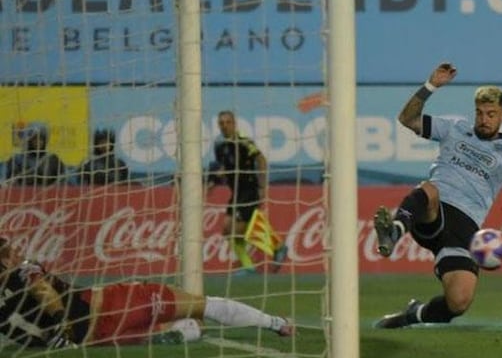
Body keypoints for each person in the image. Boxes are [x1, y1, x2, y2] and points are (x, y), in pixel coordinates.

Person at [372, 62, 502, 329]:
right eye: (480, 113)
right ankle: (394, 231)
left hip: (465, 230)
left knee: (459, 302)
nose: (484, 119)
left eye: (491, 114)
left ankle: (411, 315)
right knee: (430, 189)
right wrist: (429, 87)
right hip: (434, 211)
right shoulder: (455, 127)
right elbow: (407, 120)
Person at [0, 236, 294, 349]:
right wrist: (61, 323)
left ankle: (174, 335)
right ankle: (275, 323)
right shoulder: (22, 270)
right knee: (203, 306)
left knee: (184, 328)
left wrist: (57, 337)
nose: (16, 251)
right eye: (8, 249)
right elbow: (42, 289)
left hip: (95, 341)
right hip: (111, 305)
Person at [208, 110, 287, 273]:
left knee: (237, 229)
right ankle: (253, 263)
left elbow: (261, 160)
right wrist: (212, 183)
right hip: (236, 193)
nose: (224, 126)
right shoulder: (219, 146)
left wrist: (262, 186)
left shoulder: (244, 142)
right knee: (227, 230)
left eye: (228, 122)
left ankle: (272, 250)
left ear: (234, 123)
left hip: (249, 191)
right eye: (221, 123)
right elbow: (223, 167)